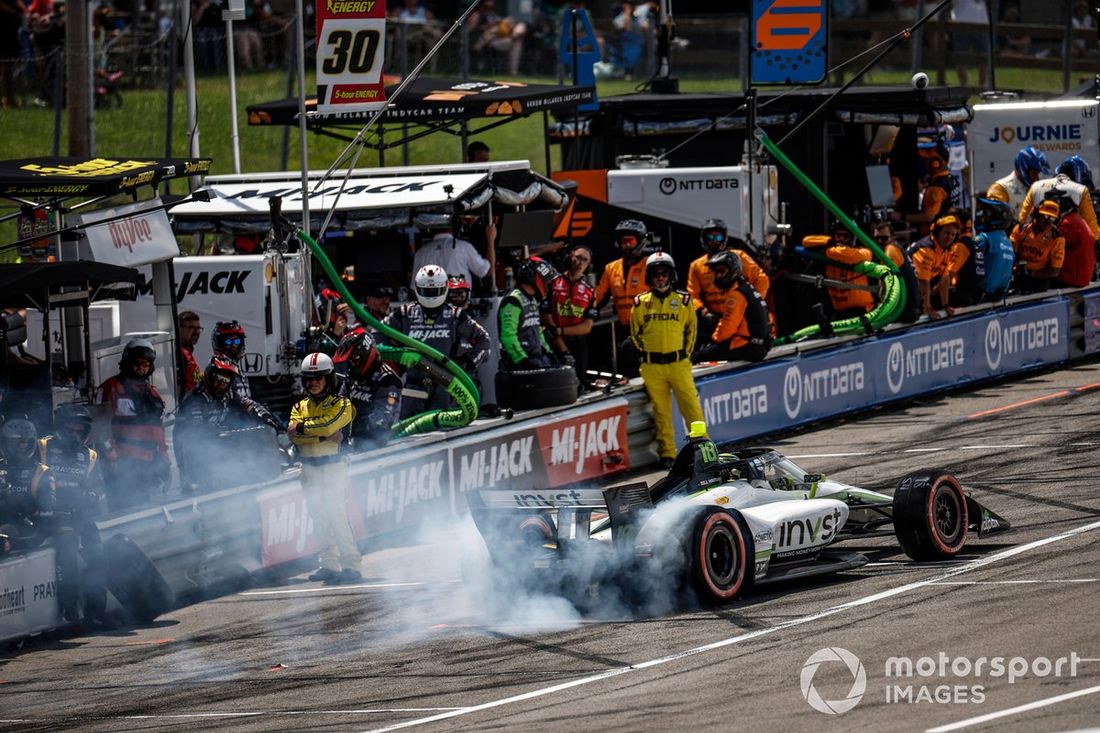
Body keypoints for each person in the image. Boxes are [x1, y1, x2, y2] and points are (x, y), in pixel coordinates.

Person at [288, 352, 361, 585]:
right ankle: (329, 564)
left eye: (319, 377)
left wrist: (304, 430)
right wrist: (322, 437)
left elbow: (328, 424)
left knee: (337, 515)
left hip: (333, 467)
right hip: (308, 469)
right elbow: (293, 435)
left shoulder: (343, 404)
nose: (313, 382)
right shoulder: (299, 405)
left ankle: (352, 565)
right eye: (309, 378)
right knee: (318, 517)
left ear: (329, 379)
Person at [384, 265, 490, 419]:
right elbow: (376, 333)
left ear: (445, 288)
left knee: (444, 433)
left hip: (445, 386)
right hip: (414, 385)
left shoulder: (455, 314)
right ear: (418, 289)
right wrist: (398, 354)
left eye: (436, 291)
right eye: (427, 291)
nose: (432, 295)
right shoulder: (405, 313)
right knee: (408, 434)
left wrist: (464, 365)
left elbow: (484, 340)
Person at [37, 403, 109, 628]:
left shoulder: (90, 455)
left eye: (80, 430)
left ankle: (96, 611)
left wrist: (92, 496)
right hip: (49, 516)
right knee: (67, 545)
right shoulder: (43, 446)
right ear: (60, 427)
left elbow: (99, 487)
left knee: (98, 553)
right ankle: (70, 608)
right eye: (71, 429)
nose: (75, 434)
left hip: (79, 515)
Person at [630, 252, 703, 468]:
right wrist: (648, 354)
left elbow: (692, 331)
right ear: (649, 277)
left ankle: (702, 448)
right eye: (656, 274)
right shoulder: (640, 303)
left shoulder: (684, 301)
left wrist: (683, 355)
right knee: (661, 413)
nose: (660, 278)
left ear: (671, 276)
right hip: (652, 366)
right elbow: (635, 335)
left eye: (664, 274)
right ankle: (668, 454)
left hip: (679, 363)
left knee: (692, 408)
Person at [174, 355, 285, 494]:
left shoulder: (228, 394)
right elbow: (198, 435)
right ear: (209, 375)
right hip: (191, 455)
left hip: (215, 453)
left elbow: (248, 404)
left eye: (226, 380)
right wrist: (224, 434)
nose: (221, 384)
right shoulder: (195, 400)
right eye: (219, 379)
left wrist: (266, 419)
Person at [97, 338, 168, 511]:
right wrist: (109, 455)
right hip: (121, 463)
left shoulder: (152, 393)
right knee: (122, 511)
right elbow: (99, 426)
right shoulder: (110, 387)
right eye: (137, 363)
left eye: (146, 364)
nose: (141, 368)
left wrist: (165, 461)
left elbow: (158, 431)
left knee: (146, 512)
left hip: (148, 463)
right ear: (127, 362)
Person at [687, 218, 770, 339]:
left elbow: (761, 280)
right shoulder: (696, 266)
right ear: (703, 239)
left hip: (740, 314)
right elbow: (692, 294)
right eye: (710, 237)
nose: (714, 241)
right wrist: (703, 312)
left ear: (724, 238)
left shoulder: (739, 257)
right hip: (713, 320)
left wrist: (753, 304)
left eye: (718, 237)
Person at [596, 219, 652, 377]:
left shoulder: (651, 265)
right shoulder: (611, 268)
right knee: (625, 363)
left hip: (649, 326)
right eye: (624, 241)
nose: (627, 245)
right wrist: (586, 309)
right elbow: (599, 297)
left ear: (640, 242)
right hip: (624, 328)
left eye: (631, 241)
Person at [692, 250, 770, 364]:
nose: (718, 276)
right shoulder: (747, 288)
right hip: (758, 345)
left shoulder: (736, 294)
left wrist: (713, 341)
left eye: (722, 271)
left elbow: (728, 327)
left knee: (696, 356)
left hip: (748, 346)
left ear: (733, 270)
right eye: (716, 272)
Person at [332, 330, 402, 450]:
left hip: (376, 446)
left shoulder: (388, 379)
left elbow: (382, 419)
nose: (352, 365)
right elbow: (340, 403)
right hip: (351, 442)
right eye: (349, 361)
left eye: (355, 360)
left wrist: (350, 427)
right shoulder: (351, 375)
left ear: (365, 354)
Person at [543, 245, 598, 384]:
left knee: (579, 383)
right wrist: (563, 349)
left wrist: (561, 330)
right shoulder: (552, 283)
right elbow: (546, 319)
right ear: (569, 258)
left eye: (585, 260)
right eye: (578, 258)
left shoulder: (590, 291)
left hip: (578, 344)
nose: (580, 263)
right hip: (555, 343)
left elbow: (587, 327)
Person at [951, 197, 1016, 305]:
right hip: (997, 298)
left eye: (987, 213)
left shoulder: (984, 238)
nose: (982, 216)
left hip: (979, 299)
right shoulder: (1008, 241)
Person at [499, 256, 560, 370]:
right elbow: (508, 336)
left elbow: (537, 331)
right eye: (546, 281)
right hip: (517, 366)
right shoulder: (513, 300)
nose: (548, 285)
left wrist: (549, 352)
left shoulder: (532, 300)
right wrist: (522, 360)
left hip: (535, 360)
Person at [1019, 156, 1100, 239]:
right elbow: (1092, 227)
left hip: (1035, 245)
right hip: (1067, 246)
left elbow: (1022, 219)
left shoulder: (1035, 186)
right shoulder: (1082, 190)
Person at [907, 214, 965, 319]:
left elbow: (945, 277)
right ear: (937, 232)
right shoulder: (926, 249)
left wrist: (946, 305)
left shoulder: (946, 249)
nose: (949, 238)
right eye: (946, 233)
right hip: (906, 291)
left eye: (953, 235)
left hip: (918, 290)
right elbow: (923, 282)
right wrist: (928, 309)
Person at [411, 222, 494, 294]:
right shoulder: (463, 247)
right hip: (459, 306)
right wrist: (491, 240)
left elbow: (414, 288)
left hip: (431, 308)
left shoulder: (421, 253)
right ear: (454, 226)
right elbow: (487, 271)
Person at [873, 219, 923, 323]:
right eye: (877, 239)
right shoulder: (897, 249)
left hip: (904, 311)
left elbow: (888, 283)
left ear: (892, 237)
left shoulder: (890, 250)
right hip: (911, 308)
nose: (880, 242)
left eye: (884, 238)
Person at [1011, 200, 1065, 293]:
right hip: (1016, 276)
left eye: (1052, 218)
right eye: (1046, 216)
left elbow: (1055, 270)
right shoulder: (1020, 229)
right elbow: (1011, 255)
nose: (1048, 221)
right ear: (1036, 214)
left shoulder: (1057, 238)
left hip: (1037, 281)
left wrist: (1031, 273)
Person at [986, 146, 1051, 221]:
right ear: (1023, 169)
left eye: (1038, 174)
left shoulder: (1038, 187)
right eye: (1034, 174)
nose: (1036, 178)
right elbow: (996, 222)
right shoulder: (1000, 189)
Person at [1056, 197, 1097, 288]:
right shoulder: (1079, 220)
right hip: (1083, 276)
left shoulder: (1068, 222)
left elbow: (1055, 245)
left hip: (1071, 277)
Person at [211, 320, 253, 401]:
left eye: (237, 341)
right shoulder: (218, 371)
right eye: (228, 342)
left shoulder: (239, 372)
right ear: (219, 344)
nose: (233, 345)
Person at [178, 311, 204, 397]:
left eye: (198, 329)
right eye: (191, 328)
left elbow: (194, 378)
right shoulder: (178, 354)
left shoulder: (188, 353)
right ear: (179, 328)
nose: (196, 332)